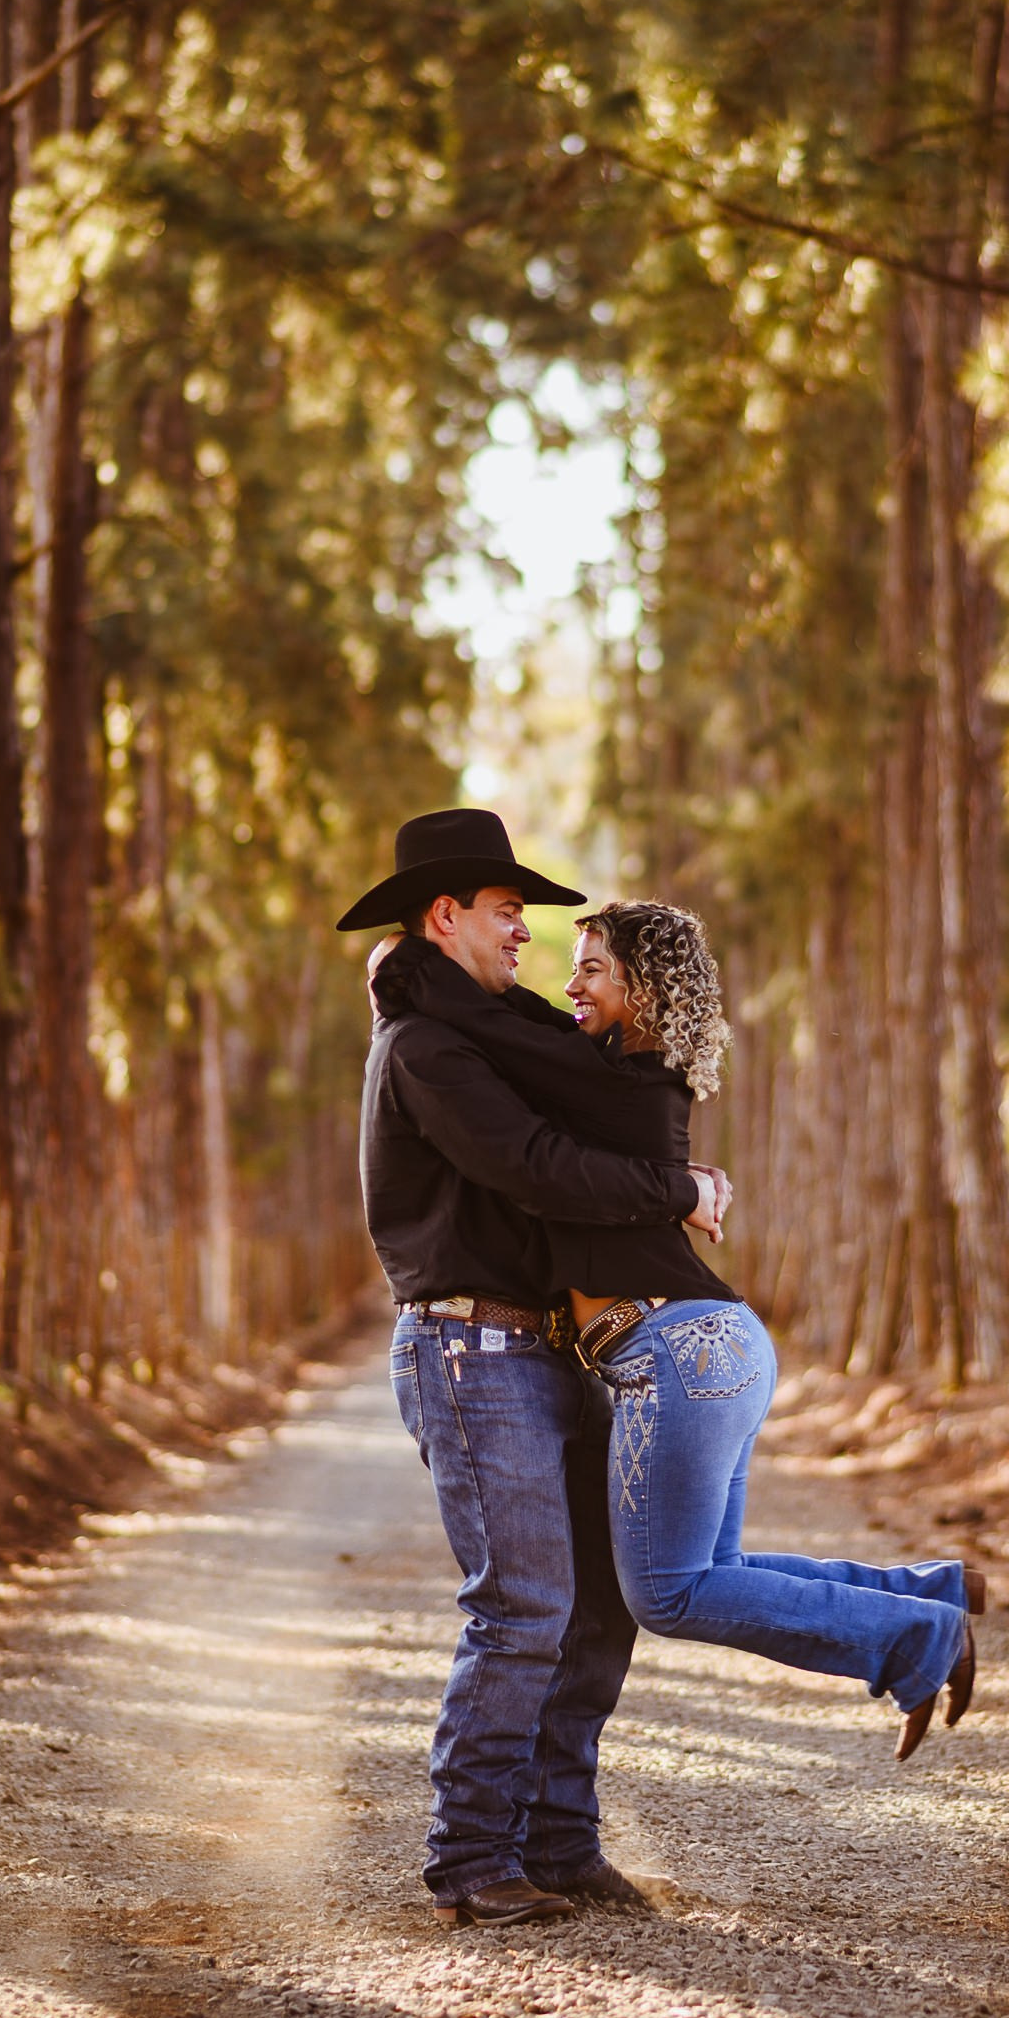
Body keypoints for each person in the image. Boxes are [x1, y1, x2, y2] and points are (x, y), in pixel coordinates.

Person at [391, 895, 979, 1759]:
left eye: (591, 969)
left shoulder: (618, 1075)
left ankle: (916, 1639)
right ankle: (925, 1596)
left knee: (668, 1593)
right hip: (707, 1347)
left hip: (678, 1352)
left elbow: (508, 1038)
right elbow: (520, 1035)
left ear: (645, 991)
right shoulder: (618, 1076)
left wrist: (404, 970)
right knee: (714, 1573)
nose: (567, 986)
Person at [341, 809, 728, 1929]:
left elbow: (590, 1120)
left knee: (599, 1606)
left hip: (550, 1345)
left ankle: (559, 1845)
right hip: (470, 1346)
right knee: (521, 1608)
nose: (524, 933)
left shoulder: (490, 1034)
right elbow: (535, 1167)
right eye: (509, 912)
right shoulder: (425, 1050)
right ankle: (470, 1856)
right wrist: (678, 1194)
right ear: (445, 913)